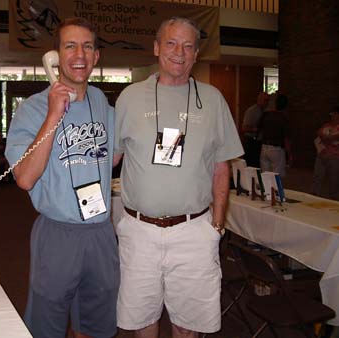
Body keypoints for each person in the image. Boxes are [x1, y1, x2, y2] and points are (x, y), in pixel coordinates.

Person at [113, 17, 244, 337]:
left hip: (193, 232)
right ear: (157, 48)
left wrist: (217, 224)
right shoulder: (129, 97)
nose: (179, 52)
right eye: (171, 43)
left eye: (188, 46)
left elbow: (221, 167)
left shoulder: (213, 100)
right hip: (139, 231)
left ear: (197, 54)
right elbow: (109, 160)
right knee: (143, 321)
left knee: (190, 324)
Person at [5, 17, 119, 338]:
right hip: (57, 234)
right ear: (56, 55)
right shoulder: (32, 109)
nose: (79, 54)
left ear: (96, 56)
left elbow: (116, 154)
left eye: (87, 46)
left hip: (100, 232)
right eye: (70, 46)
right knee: (48, 325)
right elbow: (25, 178)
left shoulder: (102, 102)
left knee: (97, 324)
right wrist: (54, 113)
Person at [259, 94, 292, 177]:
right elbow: (286, 138)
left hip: (264, 147)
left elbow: (259, 130)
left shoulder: (266, 115)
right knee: (277, 176)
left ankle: (266, 190)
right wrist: (289, 154)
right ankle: (275, 190)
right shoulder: (283, 118)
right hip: (276, 149)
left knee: (265, 175)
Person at [314, 106, 339, 200]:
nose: (332, 116)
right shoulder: (326, 126)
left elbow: (331, 138)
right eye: (331, 115)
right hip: (322, 154)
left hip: (335, 156)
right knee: (318, 176)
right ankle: (315, 195)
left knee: (334, 179)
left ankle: (333, 199)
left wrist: (328, 138)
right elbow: (319, 135)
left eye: (334, 114)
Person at [242, 91, 269, 167]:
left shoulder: (263, 111)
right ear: (259, 100)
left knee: (257, 165)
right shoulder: (252, 111)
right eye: (265, 100)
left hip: (258, 142)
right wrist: (258, 129)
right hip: (251, 142)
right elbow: (244, 128)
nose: (267, 103)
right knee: (251, 165)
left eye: (268, 100)